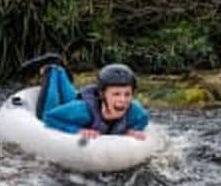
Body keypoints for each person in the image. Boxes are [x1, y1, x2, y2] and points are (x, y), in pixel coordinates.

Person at [19, 53, 149, 140]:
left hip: (75, 102)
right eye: (116, 94)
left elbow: (144, 118)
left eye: (127, 94)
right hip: (73, 110)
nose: (123, 100)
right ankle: (52, 68)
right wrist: (77, 130)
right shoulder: (83, 111)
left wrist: (132, 130)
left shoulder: (134, 110)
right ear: (102, 94)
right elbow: (50, 118)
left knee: (71, 100)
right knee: (43, 114)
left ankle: (60, 69)